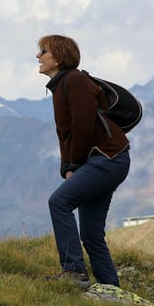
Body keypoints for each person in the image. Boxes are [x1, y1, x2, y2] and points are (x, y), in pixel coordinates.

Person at [37, 35, 130, 288]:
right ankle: (111, 289)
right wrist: (67, 168)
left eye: (43, 51)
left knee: (59, 202)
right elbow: (65, 135)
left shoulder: (75, 81)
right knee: (91, 234)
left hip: (108, 159)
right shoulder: (61, 85)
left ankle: (74, 271)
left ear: (58, 57)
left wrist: (75, 165)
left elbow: (83, 127)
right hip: (105, 160)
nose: (38, 56)